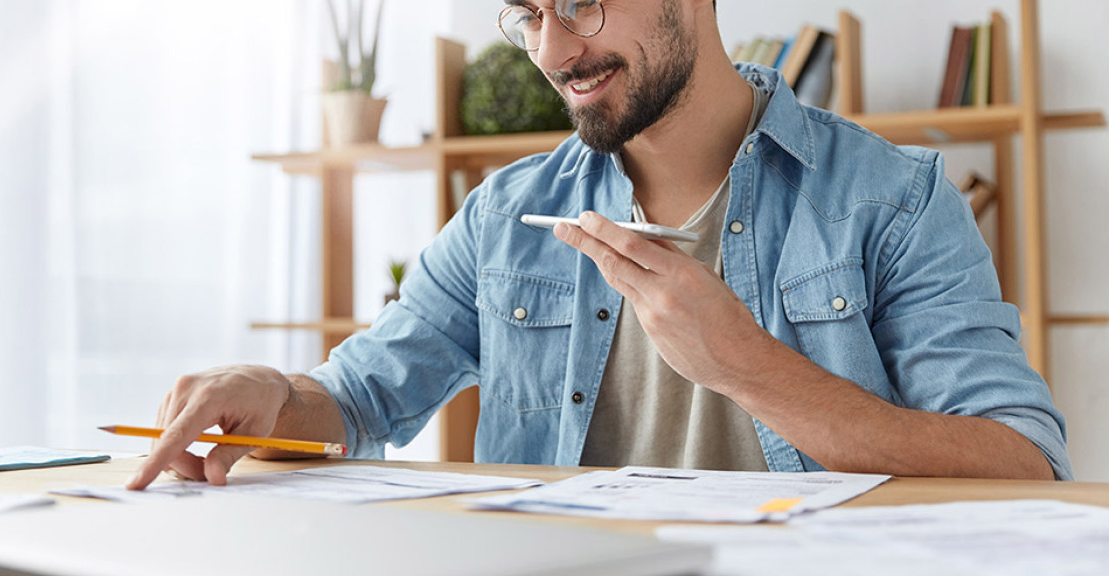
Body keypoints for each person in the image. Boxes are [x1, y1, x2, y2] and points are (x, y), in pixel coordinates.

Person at [128, 0, 1071, 490]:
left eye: (580, 1)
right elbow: (362, 396)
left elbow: (1022, 464)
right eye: (528, 15)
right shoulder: (506, 215)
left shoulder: (892, 199)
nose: (553, 50)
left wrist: (744, 365)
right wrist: (272, 397)